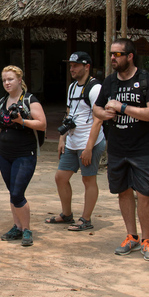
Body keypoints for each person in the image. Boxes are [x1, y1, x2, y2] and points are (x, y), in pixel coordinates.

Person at [93, 38, 149, 261]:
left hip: (141, 149)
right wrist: (103, 114)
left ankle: (146, 239)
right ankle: (131, 236)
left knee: (144, 193)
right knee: (123, 191)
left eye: (118, 54)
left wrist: (122, 107)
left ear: (130, 56)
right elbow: (97, 107)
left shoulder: (147, 80)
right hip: (116, 148)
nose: (113, 58)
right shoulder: (110, 82)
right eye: (111, 54)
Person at [0, 65, 47, 247]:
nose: (7, 83)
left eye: (10, 79)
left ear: (20, 80)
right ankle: (17, 227)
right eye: (4, 80)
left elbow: (42, 124)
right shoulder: (2, 102)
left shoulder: (30, 100)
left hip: (25, 153)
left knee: (17, 193)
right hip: (5, 154)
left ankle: (27, 229)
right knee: (12, 192)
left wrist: (22, 121)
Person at [47, 51, 106, 231]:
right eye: (70, 65)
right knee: (60, 177)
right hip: (72, 140)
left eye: (75, 65)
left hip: (90, 141)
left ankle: (86, 219)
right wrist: (61, 138)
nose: (72, 68)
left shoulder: (95, 88)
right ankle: (67, 214)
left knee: (88, 179)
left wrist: (88, 148)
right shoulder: (72, 87)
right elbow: (69, 113)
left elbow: (98, 119)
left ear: (87, 67)